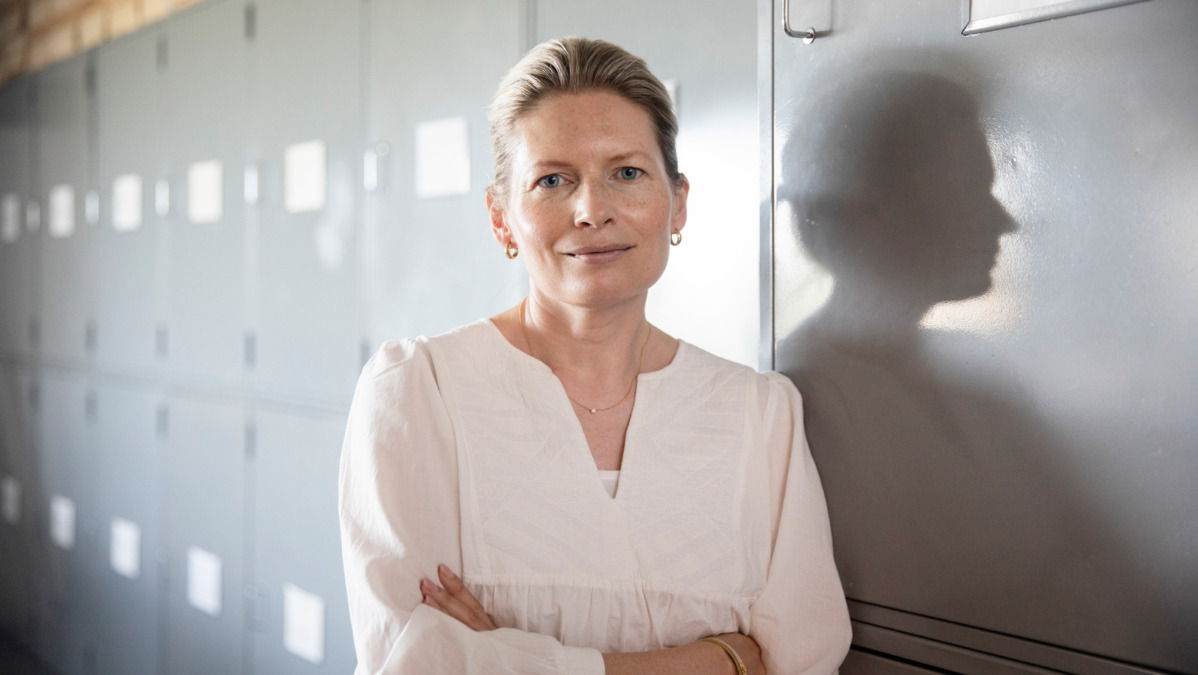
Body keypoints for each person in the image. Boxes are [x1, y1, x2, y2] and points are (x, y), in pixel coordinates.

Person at [339, 37, 851, 674]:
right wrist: (720, 660)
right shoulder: (420, 392)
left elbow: (803, 664)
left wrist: (511, 656)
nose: (592, 210)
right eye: (553, 180)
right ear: (501, 218)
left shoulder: (759, 415)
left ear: (678, 203)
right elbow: (410, 665)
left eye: (627, 173)